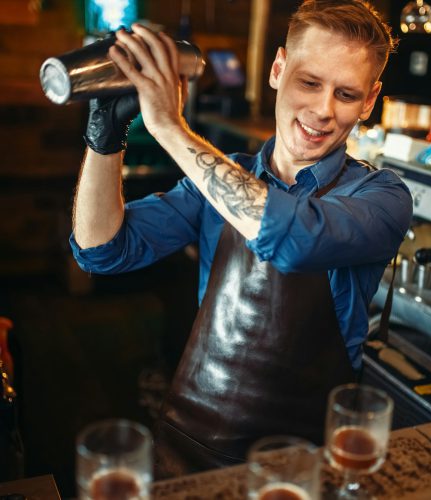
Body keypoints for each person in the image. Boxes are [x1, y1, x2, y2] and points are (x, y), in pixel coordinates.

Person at [70, 0, 413, 478]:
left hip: (299, 466)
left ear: (371, 100)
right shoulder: (220, 177)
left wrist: (169, 126)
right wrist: (104, 139)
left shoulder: (382, 197)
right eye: (309, 82)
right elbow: (101, 251)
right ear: (278, 68)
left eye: (347, 94)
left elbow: (294, 242)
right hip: (184, 448)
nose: (323, 110)